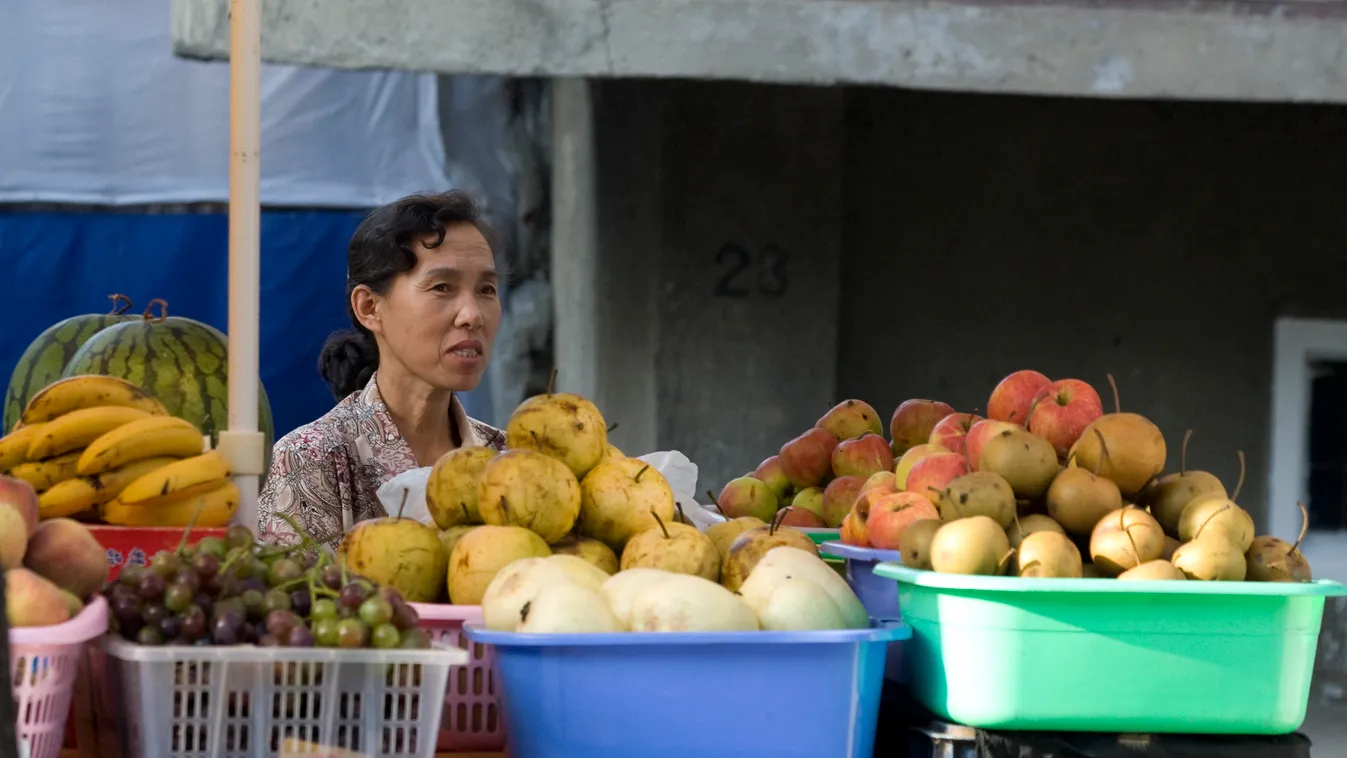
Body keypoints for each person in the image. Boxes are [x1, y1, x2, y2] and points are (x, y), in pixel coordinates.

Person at [258, 190, 507, 550]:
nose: (472, 315)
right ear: (370, 307)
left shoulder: (507, 461)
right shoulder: (311, 461)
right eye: (442, 287)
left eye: (486, 289)